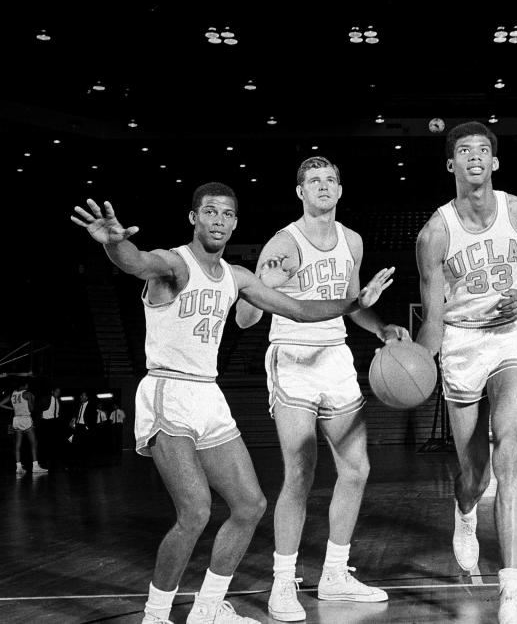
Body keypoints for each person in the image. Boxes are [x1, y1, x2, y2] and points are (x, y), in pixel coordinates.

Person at [71, 183, 396, 624]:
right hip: (168, 390)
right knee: (195, 512)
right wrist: (116, 244)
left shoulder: (236, 277)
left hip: (209, 393)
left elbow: (298, 309)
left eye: (227, 214)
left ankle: (207, 608)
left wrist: (357, 302)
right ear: (194, 218)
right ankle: (156, 614)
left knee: (249, 505)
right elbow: (138, 262)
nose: (219, 221)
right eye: (210, 212)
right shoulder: (174, 262)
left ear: (235, 223)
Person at [235, 156, 408, 621]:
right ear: (300, 192)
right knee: (300, 473)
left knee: (356, 469)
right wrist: (259, 291)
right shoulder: (283, 244)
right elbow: (247, 314)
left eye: (331, 179)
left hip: (335, 357)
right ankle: (282, 582)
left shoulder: (351, 240)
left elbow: (351, 303)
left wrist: (382, 327)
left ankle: (334, 575)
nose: (324, 186)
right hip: (292, 358)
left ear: (340, 189)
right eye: (314, 180)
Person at [415, 122, 517, 624]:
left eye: (482, 150)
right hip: (461, 340)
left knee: (509, 447)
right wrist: (416, 366)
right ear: (451, 165)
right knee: (474, 473)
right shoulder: (435, 232)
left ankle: (513, 590)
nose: (473, 157)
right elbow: (433, 315)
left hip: (511, 336)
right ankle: (465, 513)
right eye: (463, 151)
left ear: (494, 162)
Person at [1, 381, 47, 476]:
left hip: (16, 419)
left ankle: (18, 467)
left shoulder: (13, 394)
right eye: (27, 385)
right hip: (25, 419)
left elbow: (0, 404)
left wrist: (12, 409)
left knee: (18, 444)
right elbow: (31, 409)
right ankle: (35, 466)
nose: (28, 386)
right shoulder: (27, 394)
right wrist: (32, 400)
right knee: (34, 443)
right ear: (25, 385)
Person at [39, 386, 63, 470]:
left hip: (55, 422)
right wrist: (40, 417)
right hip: (46, 422)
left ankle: (53, 461)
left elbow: (59, 412)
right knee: (45, 441)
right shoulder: (46, 398)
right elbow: (40, 408)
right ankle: (44, 461)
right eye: (57, 391)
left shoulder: (59, 400)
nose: (58, 393)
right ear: (52, 391)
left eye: (59, 392)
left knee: (54, 441)